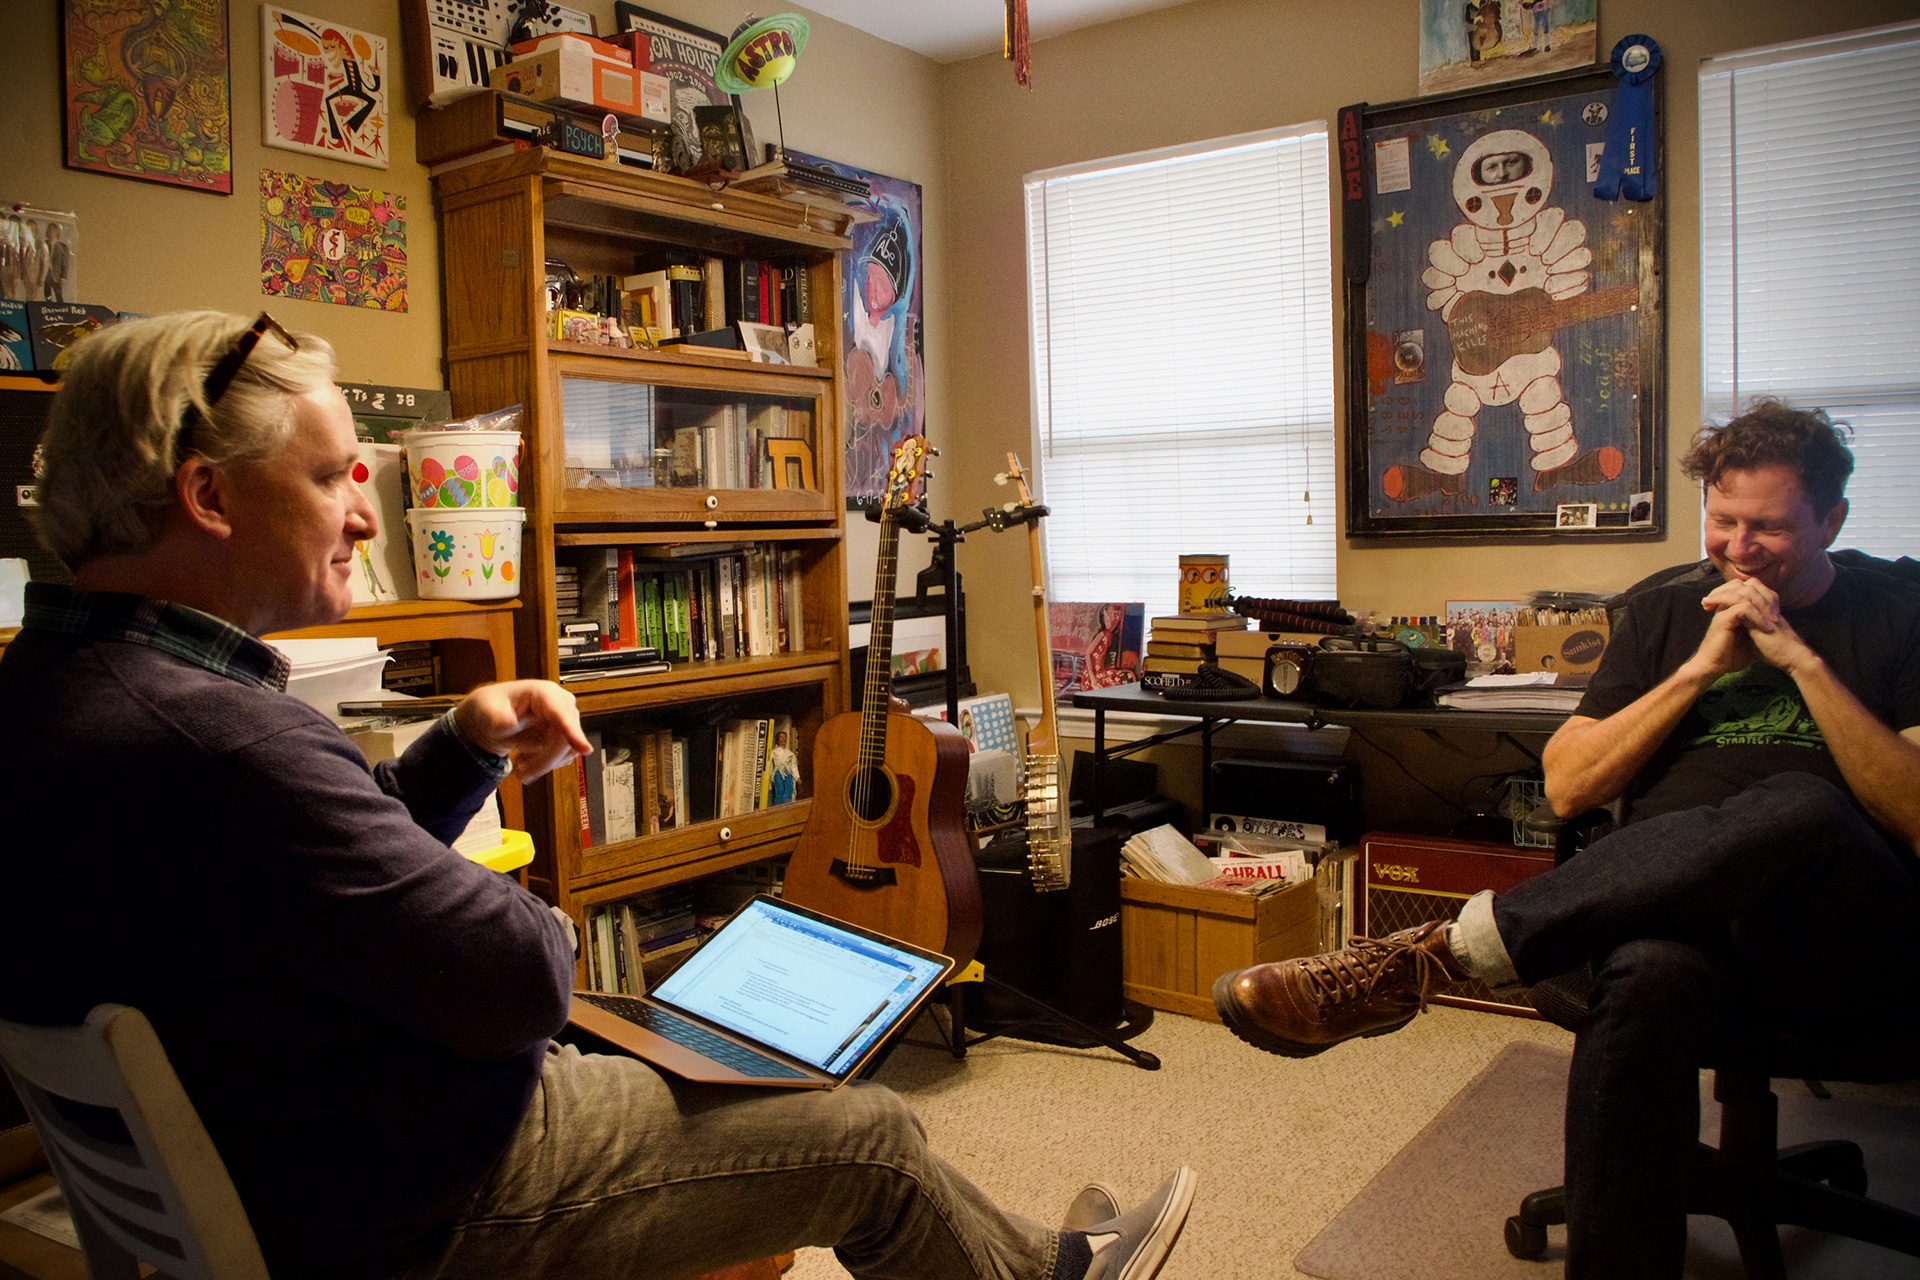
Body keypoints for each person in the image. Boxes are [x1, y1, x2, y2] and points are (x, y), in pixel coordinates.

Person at [0, 312, 1196, 1280]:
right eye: (329, 477)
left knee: (693, 1060)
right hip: (421, 1205)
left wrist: (457, 749)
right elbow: (523, 979)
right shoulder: (225, 742)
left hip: (305, 1154)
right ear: (209, 497)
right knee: (866, 1136)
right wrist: (499, 903)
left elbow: (305, 890)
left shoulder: (55, 698)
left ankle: (1021, 1256)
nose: (366, 514)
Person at [1214, 400, 1920, 1278]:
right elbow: (1569, 785)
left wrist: (1801, 663)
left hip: (1839, 932)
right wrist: (1700, 670)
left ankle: (1437, 956)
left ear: (1834, 521)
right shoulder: (1668, 618)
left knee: (1801, 806)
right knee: (1646, 970)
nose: (1739, 549)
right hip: (1677, 909)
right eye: (1724, 521)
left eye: (1770, 528)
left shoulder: (1899, 616)